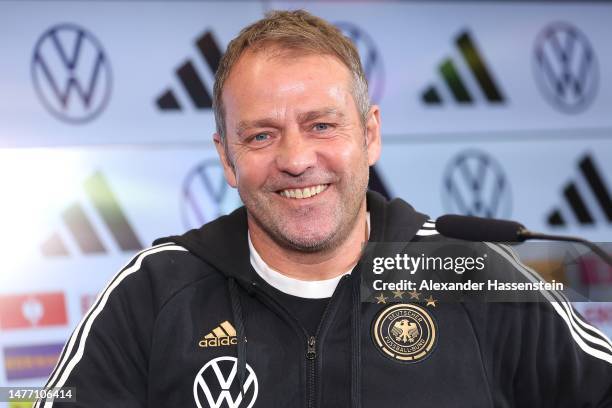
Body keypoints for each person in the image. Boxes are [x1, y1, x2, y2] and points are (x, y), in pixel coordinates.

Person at [37, 10, 612, 407]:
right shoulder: (154, 293)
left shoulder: (470, 272)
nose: (295, 159)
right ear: (227, 158)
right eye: (261, 136)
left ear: (370, 135)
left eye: (321, 125)